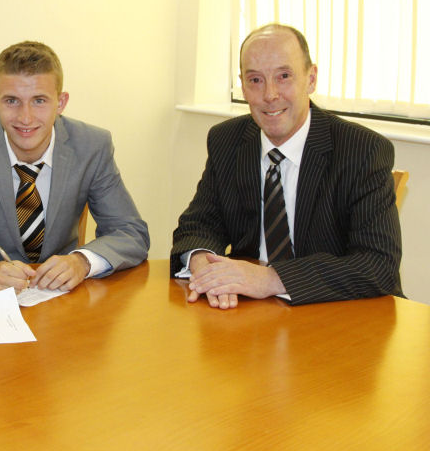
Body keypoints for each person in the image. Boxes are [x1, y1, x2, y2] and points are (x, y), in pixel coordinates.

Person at [171, 23, 402, 308]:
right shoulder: (227, 141)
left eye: (284, 76)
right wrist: (203, 264)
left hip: (340, 315)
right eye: (255, 80)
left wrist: (270, 279)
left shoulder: (362, 150)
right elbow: (198, 225)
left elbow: (377, 264)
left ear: (311, 78)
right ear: (242, 85)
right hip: (253, 317)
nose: (270, 94)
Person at [0, 41, 149, 294]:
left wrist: (82, 261)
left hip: (59, 297)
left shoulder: (92, 146)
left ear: (61, 102)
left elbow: (130, 231)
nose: (25, 118)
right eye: (12, 101)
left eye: (39, 101)